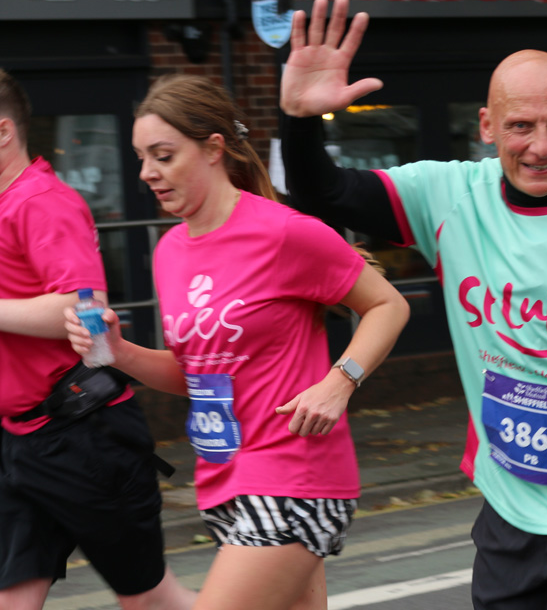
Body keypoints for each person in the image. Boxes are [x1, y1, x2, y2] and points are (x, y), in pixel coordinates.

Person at [279, 0, 547, 610]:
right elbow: (325, 192)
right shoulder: (449, 195)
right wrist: (298, 118)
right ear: (486, 126)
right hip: (509, 498)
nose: (541, 147)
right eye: (520, 127)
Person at [66, 74, 410, 610]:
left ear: (213, 149)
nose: (147, 173)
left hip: (294, 476)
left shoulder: (283, 232)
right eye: (141, 157)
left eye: (163, 155)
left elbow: (388, 304)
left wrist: (339, 382)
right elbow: (197, 374)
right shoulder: (170, 251)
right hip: (223, 479)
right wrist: (118, 351)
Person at [0, 68, 195, 610]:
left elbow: (83, 308)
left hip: (83, 437)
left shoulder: (40, 201)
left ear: (3, 133)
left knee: (149, 598)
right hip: (20, 440)